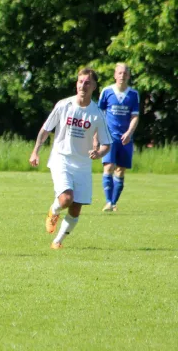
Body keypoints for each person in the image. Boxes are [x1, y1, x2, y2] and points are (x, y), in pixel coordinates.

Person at [29, 68, 112, 249]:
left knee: (76, 208)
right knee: (66, 199)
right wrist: (36, 151)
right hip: (61, 158)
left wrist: (99, 153)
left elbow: (107, 144)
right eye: (80, 81)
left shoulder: (97, 114)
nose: (83, 85)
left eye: (87, 82)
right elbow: (45, 129)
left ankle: (57, 242)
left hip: (82, 164)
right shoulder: (64, 105)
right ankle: (54, 210)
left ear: (94, 87)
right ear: (76, 83)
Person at [95, 63, 140, 212]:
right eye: (119, 73)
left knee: (120, 170)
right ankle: (108, 201)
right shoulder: (107, 91)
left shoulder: (133, 94)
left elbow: (135, 116)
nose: (122, 76)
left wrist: (129, 132)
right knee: (108, 166)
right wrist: (96, 137)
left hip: (126, 138)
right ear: (115, 75)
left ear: (128, 76)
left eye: (125, 73)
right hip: (109, 137)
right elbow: (99, 115)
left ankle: (113, 203)